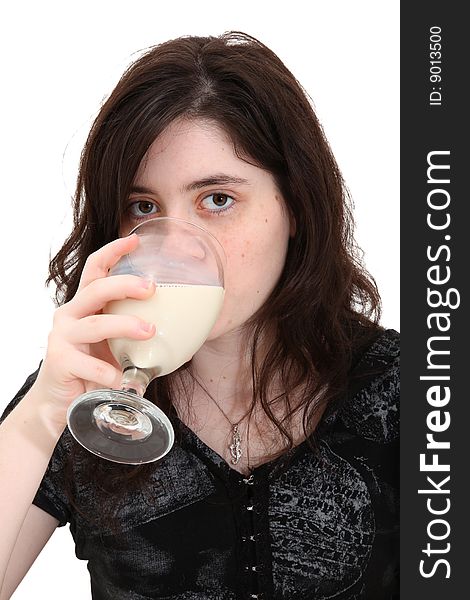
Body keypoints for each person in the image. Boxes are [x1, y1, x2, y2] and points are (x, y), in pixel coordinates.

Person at [0, 31, 399, 600]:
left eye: (217, 200)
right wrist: (44, 410)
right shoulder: (81, 402)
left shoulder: (413, 390)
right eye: (144, 208)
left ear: (295, 206)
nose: (177, 245)